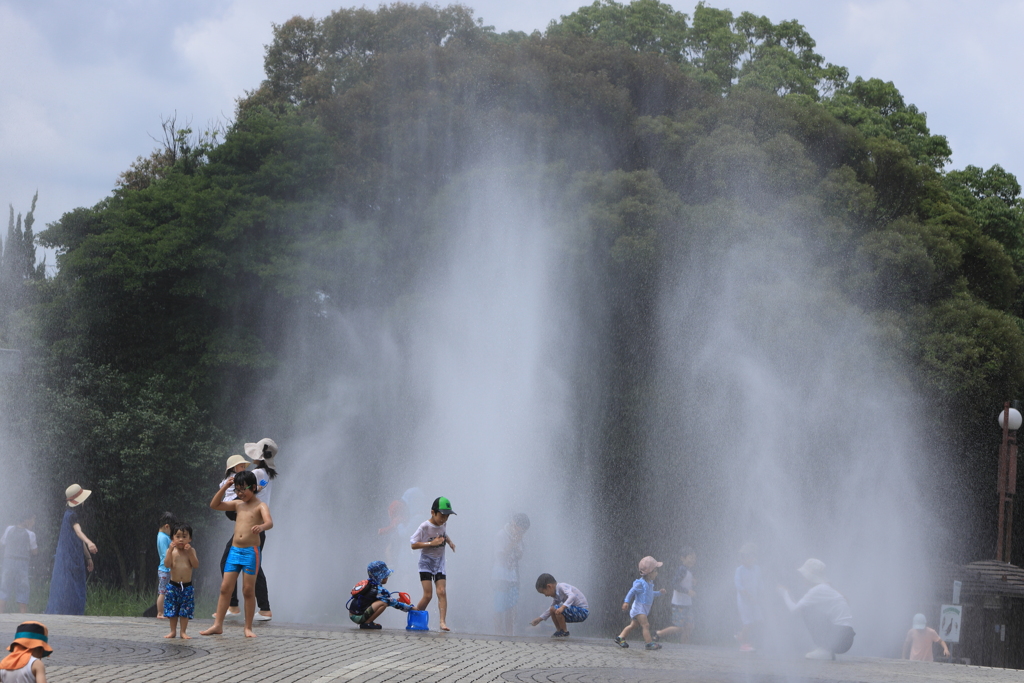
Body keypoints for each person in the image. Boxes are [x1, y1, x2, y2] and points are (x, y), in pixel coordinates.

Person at [200, 471, 273, 638]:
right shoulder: (238, 504)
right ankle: (217, 625)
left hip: (250, 552)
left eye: (243, 489)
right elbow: (214, 505)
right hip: (235, 550)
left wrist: (261, 527)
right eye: (237, 490)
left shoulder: (260, 506)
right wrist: (225, 487)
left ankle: (248, 628)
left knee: (248, 590)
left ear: (253, 487)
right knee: (225, 588)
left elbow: (269, 522)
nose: (240, 493)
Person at [779, 558, 855, 660]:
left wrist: (784, 593)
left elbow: (794, 609)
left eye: (803, 575)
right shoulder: (825, 588)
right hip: (846, 637)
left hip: (839, 638)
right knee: (810, 609)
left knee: (807, 611)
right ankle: (827, 650)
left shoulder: (817, 590)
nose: (802, 578)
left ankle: (825, 649)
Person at [44, 484, 98, 615]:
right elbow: (79, 532)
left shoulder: (68, 514)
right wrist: (90, 542)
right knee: (70, 587)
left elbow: (77, 538)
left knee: (68, 586)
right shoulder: (72, 516)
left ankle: (67, 613)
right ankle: (69, 613)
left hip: (69, 558)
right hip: (69, 559)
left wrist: (88, 557)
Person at [410, 496, 457, 632]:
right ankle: (417, 616)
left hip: (439, 563)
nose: (444, 519)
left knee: (441, 591)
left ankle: (442, 622)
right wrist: (431, 543)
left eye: (447, 516)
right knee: (428, 595)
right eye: (442, 515)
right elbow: (413, 544)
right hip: (426, 563)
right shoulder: (424, 526)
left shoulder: (443, 524)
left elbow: (444, 533)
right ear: (433, 512)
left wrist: (450, 542)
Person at [244, 438, 278, 621]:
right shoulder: (267, 473)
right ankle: (263, 608)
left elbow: (246, 492)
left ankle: (234, 605)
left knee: (250, 564)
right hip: (258, 523)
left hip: (252, 523)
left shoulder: (256, 472)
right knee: (253, 563)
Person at [214, 454, 251, 621]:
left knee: (251, 574)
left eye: (244, 466)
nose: (242, 468)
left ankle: (237, 607)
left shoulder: (243, 486)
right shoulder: (230, 482)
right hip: (231, 506)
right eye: (240, 466)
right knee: (229, 565)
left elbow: (268, 521)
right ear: (232, 468)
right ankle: (233, 606)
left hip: (247, 530)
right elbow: (215, 504)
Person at [492, 513, 530, 636]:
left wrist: (518, 547)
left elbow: (520, 556)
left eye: (524, 531)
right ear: (514, 524)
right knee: (499, 605)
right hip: (500, 574)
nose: (522, 533)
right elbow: (499, 556)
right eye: (522, 529)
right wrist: (513, 543)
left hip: (512, 575)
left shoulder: (519, 536)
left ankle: (509, 632)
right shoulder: (501, 535)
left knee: (511, 606)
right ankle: (498, 632)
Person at [347, 560, 414, 629]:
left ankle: (367, 621)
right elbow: (395, 604)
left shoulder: (369, 584)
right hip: (358, 617)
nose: (387, 577)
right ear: (380, 576)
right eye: (386, 575)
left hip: (353, 615)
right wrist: (412, 608)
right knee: (383, 603)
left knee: (385, 602)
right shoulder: (380, 590)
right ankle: (367, 623)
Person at [615, 556, 663, 650]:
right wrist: (626, 602)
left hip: (644, 608)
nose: (657, 573)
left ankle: (620, 637)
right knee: (645, 625)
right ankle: (649, 643)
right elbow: (631, 592)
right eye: (655, 570)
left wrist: (659, 593)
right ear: (649, 572)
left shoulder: (649, 583)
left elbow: (650, 594)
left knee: (633, 625)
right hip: (639, 608)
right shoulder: (640, 583)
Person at [163, 523, 199, 639]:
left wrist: (190, 554)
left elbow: (195, 565)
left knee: (185, 610)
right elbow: (167, 565)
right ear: (172, 538)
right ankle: (173, 631)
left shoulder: (191, 551)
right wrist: (169, 551)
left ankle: (183, 631)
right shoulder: (172, 551)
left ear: (190, 539)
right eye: (178, 536)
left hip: (187, 586)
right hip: (173, 585)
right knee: (172, 609)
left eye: (184, 536)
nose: (181, 540)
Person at [657, 546, 696, 643]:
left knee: (689, 626)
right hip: (679, 603)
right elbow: (674, 584)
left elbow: (684, 582)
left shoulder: (688, 570)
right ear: (682, 558)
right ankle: (659, 633)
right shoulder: (682, 569)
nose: (693, 560)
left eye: (694, 558)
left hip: (687, 603)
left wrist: (693, 582)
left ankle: (684, 645)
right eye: (690, 557)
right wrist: (688, 591)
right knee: (679, 627)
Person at [530, 573, 588, 637]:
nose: (545, 595)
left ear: (549, 586)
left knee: (556, 608)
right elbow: (551, 609)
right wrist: (539, 619)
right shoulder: (557, 596)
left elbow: (572, 596)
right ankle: (559, 631)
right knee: (552, 609)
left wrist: (562, 607)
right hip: (574, 612)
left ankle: (565, 631)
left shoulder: (561, 586)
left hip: (582, 612)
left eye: (544, 592)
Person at [0, 514, 38, 614]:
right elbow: (35, 551)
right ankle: (22, 616)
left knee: (4, 587)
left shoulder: (9, 529)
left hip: (8, 561)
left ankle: (1, 615)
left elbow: (2, 542)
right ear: (26, 521)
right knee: (23, 589)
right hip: (22, 564)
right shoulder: (30, 534)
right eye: (32, 520)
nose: (33, 523)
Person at [735, 542, 762, 652]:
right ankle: (743, 644)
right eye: (743, 557)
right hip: (744, 601)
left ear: (754, 557)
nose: (744, 559)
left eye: (747, 556)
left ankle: (744, 637)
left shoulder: (757, 569)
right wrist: (748, 596)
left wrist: (761, 595)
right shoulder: (739, 570)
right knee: (748, 623)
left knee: (759, 621)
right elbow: (738, 586)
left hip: (755, 601)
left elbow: (760, 584)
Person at [155, 512, 176, 620]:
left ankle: (165, 611)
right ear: (167, 526)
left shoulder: (162, 536)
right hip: (165, 569)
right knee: (162, 592)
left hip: (165, 568)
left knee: (166, 591)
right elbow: (165, 554)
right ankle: (160, 613)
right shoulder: (163, 537)